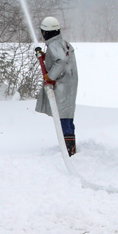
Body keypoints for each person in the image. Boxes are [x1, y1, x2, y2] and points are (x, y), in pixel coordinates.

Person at [34, 16, 79, 155]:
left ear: (46, 32)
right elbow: (59, 58)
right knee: (66, 114)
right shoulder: (61, 43)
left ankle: (68, 150)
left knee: (64, 116)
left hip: (63, 85)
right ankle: (69, 146)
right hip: (68, 84)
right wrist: (46, 56)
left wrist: (50, 76)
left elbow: (61, 59)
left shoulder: (54, 45)